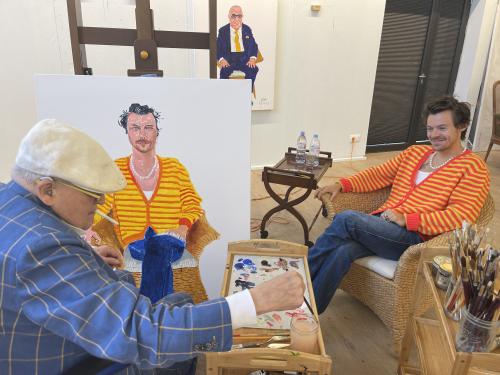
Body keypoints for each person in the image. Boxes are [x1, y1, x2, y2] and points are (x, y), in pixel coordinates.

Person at [0, 119, 305, 374]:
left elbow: (191, 200)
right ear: (48, 189)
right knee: (176, 337)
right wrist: (253, 302)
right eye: (92, 194)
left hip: (67, 335)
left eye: (149, 127)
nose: (100, 202)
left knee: (180, 299)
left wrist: (84, 259)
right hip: (79, 361)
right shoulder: (41, 248)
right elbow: (143, 334)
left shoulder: (10, 201)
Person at [309, 96, 490, 314]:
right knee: (343, 251)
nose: (433, 135)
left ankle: (300, 273)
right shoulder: (416, 153)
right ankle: (307, 311)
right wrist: (342, 183)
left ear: (461, 126)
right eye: (430, 128)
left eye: (442, 128)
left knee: (347, 219)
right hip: (383, 226)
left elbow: (461, 217)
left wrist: (409, 219)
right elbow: (378, 174)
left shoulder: (472, 168)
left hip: (414, 238)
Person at [89, 103, 207, 300]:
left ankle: (151, 311)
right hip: (135, 242)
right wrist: (87, 229)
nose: (141, 134)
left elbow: (191, 203)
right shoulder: (116, 169)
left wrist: (183, 227)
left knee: (159, 246)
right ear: (127, 132)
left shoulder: (174, 167)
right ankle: (164, 308)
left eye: (148, 127)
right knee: (153, 247)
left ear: (157, 132)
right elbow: (101, 204)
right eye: (135, 128)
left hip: (171, 239)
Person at [217, 5, 259, 90]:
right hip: (229, 60)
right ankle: (224, 94)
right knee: (224, 72)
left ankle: (246, 94)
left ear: (242, 17)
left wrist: (252, 58)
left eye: (239, 16)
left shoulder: (247, 29)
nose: (236, 19)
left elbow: (253, 45)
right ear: (229, 17)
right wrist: (221, 59)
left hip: (244, 59)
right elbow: (218, 47)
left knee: (253, 69)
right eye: (233, 16)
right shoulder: (223, 31)